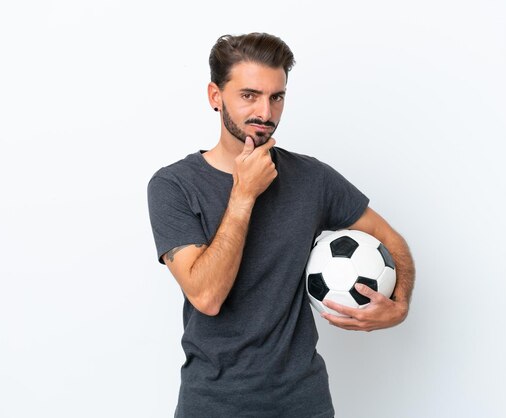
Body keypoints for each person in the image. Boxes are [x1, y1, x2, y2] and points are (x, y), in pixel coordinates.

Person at [147, 32, 415, 418]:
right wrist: (243, 194)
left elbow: (391, 240)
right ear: (215, 96)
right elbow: (206, 296)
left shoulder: (312, 178)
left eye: (277, 97)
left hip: (304, 403)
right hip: (214, 405)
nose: (266, 112)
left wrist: (400, 303)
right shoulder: (173, 186)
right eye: (249, 95)